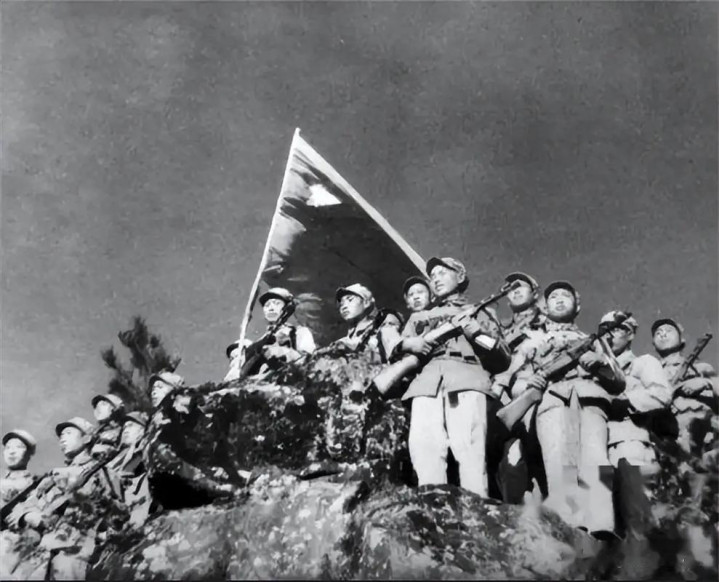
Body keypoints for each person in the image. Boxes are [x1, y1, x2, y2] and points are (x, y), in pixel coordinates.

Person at [507, 281, 624, 534]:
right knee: (560, 459)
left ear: (577, 306)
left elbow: (618, 381)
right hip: (552, 399)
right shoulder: (532, 341)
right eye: (554, 297)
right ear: (544, 306)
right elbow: (515, 382)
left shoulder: (593, 341)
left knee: (596, 458)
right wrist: (530, 383)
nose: (560, 300)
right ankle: (569, 524)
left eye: (566, 296)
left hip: (590, 399)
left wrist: (600, 363)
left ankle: (601, 523)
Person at [396, 256, 511, 497]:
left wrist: (474, 331)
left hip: (466, 377)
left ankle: (475, 508)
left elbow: (502, 356)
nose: (436, 279)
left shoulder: (482, 312)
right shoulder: (419, 317)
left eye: (442, 273)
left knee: (469, 450)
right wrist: (418, 344)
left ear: (460, 277)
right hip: (426, 382)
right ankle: (433, 505)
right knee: (425, 448)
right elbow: (400, 354)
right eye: (432, 276)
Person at [9, 417, 124, 581]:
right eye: (61, 436)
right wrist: (28, 516)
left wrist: (97, 537)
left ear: (86, 438)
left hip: (75, 555)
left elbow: (119, 518)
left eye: (68, 433)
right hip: (40, 554)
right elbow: (21, 507)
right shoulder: (53, 477)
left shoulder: (103, 473)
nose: (62, 439)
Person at [491, 272, 546, 503]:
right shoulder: (499, 329)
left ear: (535, 293)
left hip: (536, 392)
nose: (514, 291)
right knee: (509, 459)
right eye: (510, 288)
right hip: (504, 399)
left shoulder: (548, 324)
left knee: (541, 452)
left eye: (520, 286)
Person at [604, 311, 673, 474]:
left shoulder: (643, 363)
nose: (609, 335)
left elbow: (662, 394)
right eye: (605, 330)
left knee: (632, 490)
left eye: (616, 329)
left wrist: (626, 401)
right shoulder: (595, 371)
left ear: (630, 334)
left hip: (630, 443)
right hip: (596, 448)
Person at [652, 318, 717, 454]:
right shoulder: (649, 373)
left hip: (699, 434)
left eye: (669, 330)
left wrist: (706, 383)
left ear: (681, 340)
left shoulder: (699, 368)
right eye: (658, 333)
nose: (663, 334)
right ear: (653, 343)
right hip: (663, 439)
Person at [247, 287, 317, 376]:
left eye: (276, 303)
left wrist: (283, 352)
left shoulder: (299, 333)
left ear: (287, 307)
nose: (271, 308)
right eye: (267, 305)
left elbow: (309, 362)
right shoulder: (260, 342)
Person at [1, 430, 38, 579]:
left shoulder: (36, 485)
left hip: (14, 543)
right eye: (8, 447)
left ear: (29, 454)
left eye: (18, 447)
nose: (12, 451)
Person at [90, 393, 125, 457]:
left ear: (114, 408)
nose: (98, 408)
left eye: (103, 404)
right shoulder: (95, 434)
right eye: (97, 406)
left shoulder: (124, 429)